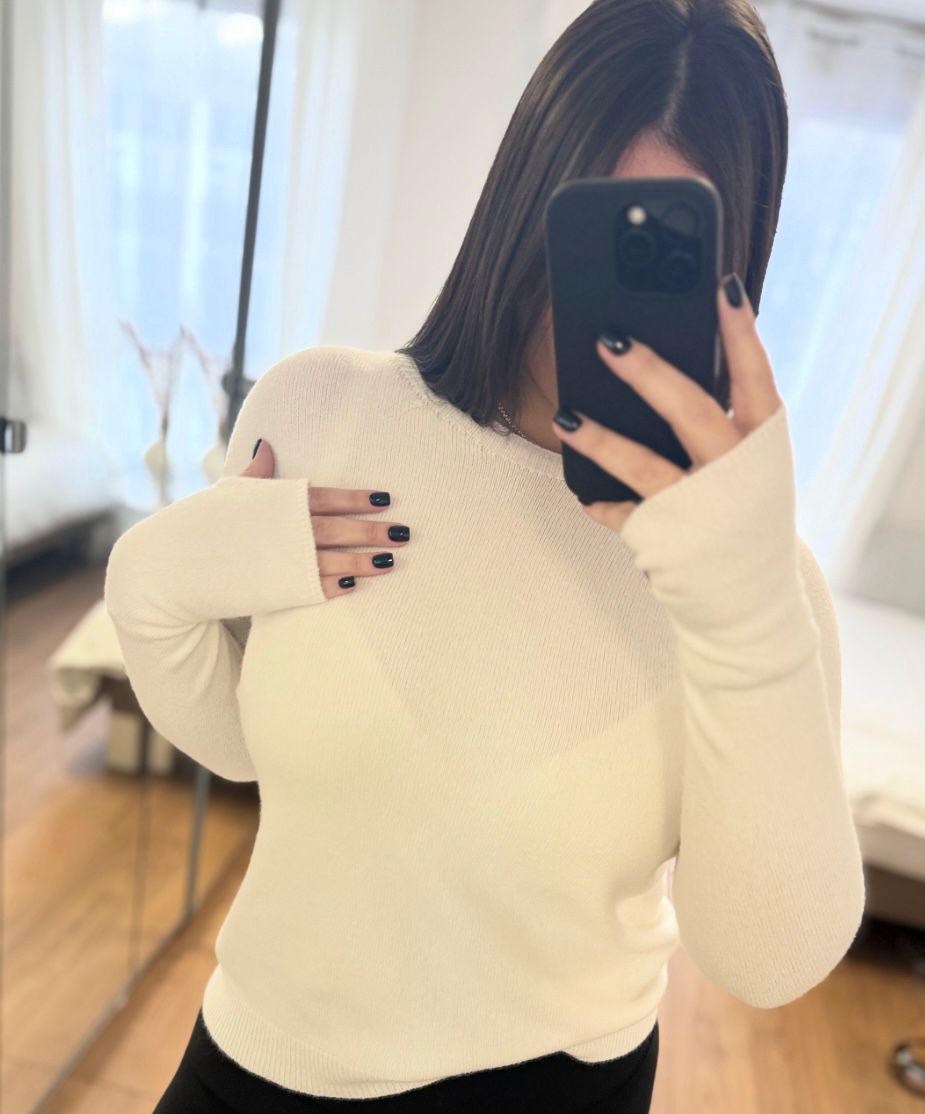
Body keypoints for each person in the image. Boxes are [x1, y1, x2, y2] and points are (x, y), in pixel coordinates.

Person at [104, 0, 866, 1110]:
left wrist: (741, 608)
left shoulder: (759, 585)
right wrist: (150, 583)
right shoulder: (319, 410)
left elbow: (766, 958)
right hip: (259, 1064)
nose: (595, 312)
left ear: (733, 277)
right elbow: (241, 744)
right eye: (586, 232)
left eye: (655, 259)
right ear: (520, 197)